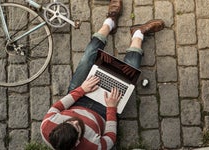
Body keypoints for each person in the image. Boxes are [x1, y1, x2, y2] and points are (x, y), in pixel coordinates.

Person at [40, 0, 165, 149]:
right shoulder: (93, 147)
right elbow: (110, 138)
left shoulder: (47, 126)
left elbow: (58, 106)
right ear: (77, 142)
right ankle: (138, 33)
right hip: (103, 111)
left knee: (87, 58)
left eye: (68, 121)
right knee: (130, 72)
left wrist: (82, 90)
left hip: (78, 98)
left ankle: (110, 22)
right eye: (77, 127)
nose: (75, 121)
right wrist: (111, 108)